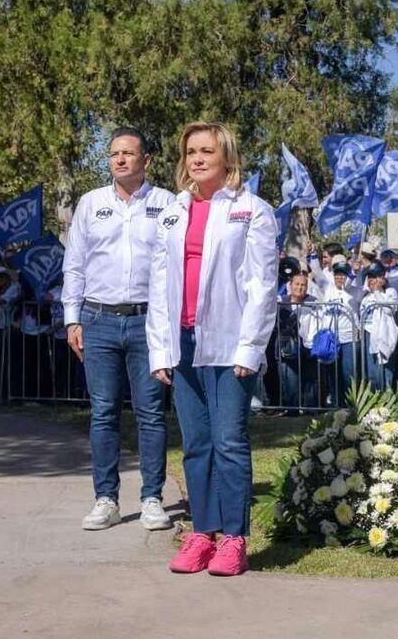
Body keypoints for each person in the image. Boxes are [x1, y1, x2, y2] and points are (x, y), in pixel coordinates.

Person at [147, 121, 279, 576]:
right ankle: (202, 533)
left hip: (228, 342)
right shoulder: (172, 212)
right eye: (190, 152)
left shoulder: (252, 210)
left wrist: (250, 347)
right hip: (182, 342)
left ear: (226, 156)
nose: (197, 159)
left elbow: (263, 286)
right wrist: (160, 349)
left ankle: (234, 539)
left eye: (206, 150)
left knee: (229, 443)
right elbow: (159, 283)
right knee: (196, 444)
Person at [61, 127, 176, 532]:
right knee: (104, 413)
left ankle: (151, 499)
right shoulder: (91, 203)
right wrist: (71, 318)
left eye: (128, 153)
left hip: (149, 322)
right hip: (98, 320)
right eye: (114, 154)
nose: (120, 160)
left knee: (150, 414)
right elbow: (74, 264)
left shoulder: (166, 203)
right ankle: (106, 498)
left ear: (146, 160)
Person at [321, 259, 362, 407]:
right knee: (333, 374)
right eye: (337, 274)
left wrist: (356, 272)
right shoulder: (327, 288)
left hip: (349, 339)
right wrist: (313, 254)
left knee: (349, 374)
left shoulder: (355, 292)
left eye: (343, 275)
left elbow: (358, 284)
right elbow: (318, 274)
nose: (340, 278)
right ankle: (336, 404)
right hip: (332, 340)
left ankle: (350, 405)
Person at [276, 272, 320, 408]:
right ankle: (292, 410)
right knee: (290, 382)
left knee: (310, 381)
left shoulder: (314, 302)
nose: (300, 288)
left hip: (308, 348)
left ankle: (310, 409)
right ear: (290, 285)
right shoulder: (281, 301)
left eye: (303, 285)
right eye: (297, 284)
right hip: (287, 348)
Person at [359, 261, 398, 389]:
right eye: (370, 277)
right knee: (372, 370)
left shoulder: (390, 292)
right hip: (368, 333)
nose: (372, 280)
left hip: (385, 334)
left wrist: (377, 292)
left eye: (376, 277)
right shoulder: (366, 297)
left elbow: (390, 309)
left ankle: (387, 398)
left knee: (386, 369)